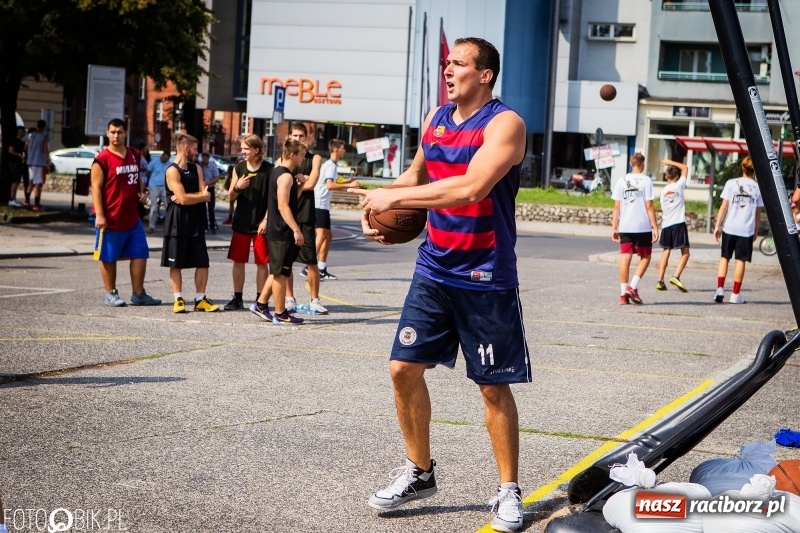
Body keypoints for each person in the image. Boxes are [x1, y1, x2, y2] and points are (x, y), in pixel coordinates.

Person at [350, 37, 528, 532]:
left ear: (485, 74)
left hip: (485, 273)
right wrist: (380, 206)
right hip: (434, 267)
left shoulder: (505, 124)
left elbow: (471, 186)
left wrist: (394, 197)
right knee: (402, 368)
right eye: (448, 64)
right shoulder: (435, 119)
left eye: (460, 64)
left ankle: (509, 490)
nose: (449, 71)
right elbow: (415, 176)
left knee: (492, 388)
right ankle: (419, 470)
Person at [90, 118, 162, 307]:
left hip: (132, 218)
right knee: (108, 256)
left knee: (140, 253)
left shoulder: (134, 154)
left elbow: (137, 176)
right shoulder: (101, 159)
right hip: (110, 218)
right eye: (113, 132)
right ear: (107, 134)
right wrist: (99, 214)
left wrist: (142, 193)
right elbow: (96, 188)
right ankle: (111, 293)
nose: (116, 135)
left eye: (120, 132)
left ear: (125, 133)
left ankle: (138, 294)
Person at [161, 135, 220, 313]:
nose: (197, 152)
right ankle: (178, 299)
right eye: (195, 149)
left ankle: (200, 299)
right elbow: (185, 198)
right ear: (186, 148)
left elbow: (204, 194)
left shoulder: (197, 168)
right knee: (175, 263)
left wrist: (192, 197)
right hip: (176, 223)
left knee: (203, 262)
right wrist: (195, 197)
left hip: (196, 222)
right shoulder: (172, 171)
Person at [251, 139, 307, 325]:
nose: (303, 158)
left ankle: (260, 304)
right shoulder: (285, 176)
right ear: (292, 155)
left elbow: (290, 200)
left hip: (278, 230)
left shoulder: (279, 171)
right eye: (301, 155)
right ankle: (280, 313)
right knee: (281, 273)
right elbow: (283, 206)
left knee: (277, 271)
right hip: (281, 231)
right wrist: (296, 230)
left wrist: (300, 186)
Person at [223, 134, 273, 310]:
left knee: (261, 263)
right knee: (238, 261)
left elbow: (272, 200)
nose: (242, 152)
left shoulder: (269, 170)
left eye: (246, 148)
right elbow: (230, 196)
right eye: (242, 148)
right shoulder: (239, 168)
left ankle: (261, 300)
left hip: (260, 223)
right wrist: (238, 186)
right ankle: (237, 298)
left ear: (256, 150)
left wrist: (266, 220)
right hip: (242, 222)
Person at [283, 122, 327, 314]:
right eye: (294, 136)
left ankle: (315, 300)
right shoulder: (284, 159)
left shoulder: (314, 158)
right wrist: (300, 180)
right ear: (289, 137)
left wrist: (301, 181)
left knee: (311, 260)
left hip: (306, 212)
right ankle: (289, 298)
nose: (298, 139)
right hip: (287, 213)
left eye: (301, 136)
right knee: (286, 260)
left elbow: (312, 182)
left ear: (307, 138)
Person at [713, 155, 763, 304]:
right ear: (755, 171)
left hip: (730, 226)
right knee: (741, 260)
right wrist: (756, 230)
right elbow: (758, 213)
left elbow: (724, 206)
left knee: (725, 257)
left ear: (742, 168)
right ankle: (735, 294)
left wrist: (718, 225)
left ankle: (720, 289)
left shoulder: (731, 183)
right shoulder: (757, 187)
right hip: (745, 228)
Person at [611, 153, 659, 305]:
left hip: (625, 225)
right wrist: (655, 226)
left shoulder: (621, 180)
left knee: (625, 258)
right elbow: (649, 205)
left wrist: (614, 227)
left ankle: (623, 295)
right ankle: (632, 287)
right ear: (642, 164)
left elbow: (616, 206)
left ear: (631, 164)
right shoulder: (646, 180)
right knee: (645, 257)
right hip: (642, 226)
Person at [314, 138, 360, 280]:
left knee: (328, 236)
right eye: (342, 148)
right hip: (319, 203)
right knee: (321, 236)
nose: (344, 151)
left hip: (324, 205)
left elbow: (332, 182)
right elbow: (330, 185)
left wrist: (348, 182)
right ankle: (308, 265)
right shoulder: (330, 165)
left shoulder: (332, 165)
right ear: (335, 149)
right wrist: (349, 186)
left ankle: (321, 268)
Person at [655, 158, 690, 292]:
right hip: (678, 223)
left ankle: (660, 280)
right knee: (685, 253)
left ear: (665, 176)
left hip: (666, 225)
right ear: (676, 176)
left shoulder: (663, 191)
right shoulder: (679, 185)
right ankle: (676, 276)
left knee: (666, 251)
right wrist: (670, 161)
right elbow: (685, 168)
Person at [24, 119, 49, 211]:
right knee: (38, 183)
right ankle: (37, 203)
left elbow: (26, 146)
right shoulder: (44, 136)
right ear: (44, 127)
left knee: (30, 182)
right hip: (39, 162)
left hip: (30, 161)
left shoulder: (30, 135)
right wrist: (47, 161)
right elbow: (45, 149)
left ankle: (27, 201)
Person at [146, 151, 171, 234]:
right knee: (154, 207)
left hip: (164, 186)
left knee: (168, 206)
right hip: (154, 185)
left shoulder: (169, 164)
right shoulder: (154, 162)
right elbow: (148, 172)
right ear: (162, 155)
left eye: (167, 159)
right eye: (165, 158)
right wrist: (150, 181)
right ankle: (151, 226)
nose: (165, 160)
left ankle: (169, 226)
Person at [199, 152, 220, 233]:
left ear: (208, 158)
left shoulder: (212, 166)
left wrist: (209, 182)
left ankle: (212, 225)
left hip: (210, 188)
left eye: (206, 159)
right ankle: (204, 226)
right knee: (202, 208)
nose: (204, 160)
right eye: (203, 159)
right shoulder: (200, 166)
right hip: (202, 189)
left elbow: (217, 178)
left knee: (211, 208)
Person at [7, 126, 26, 207]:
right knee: (15, 181)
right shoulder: (14, 141)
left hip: (18, 163)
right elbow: (10, 150)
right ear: (18, 132)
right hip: (14, 163)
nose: (23, 133)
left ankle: (14, 198)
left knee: (17, 181)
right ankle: (12, 199)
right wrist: (18, 155)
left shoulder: (21, 142)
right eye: (21, 131)